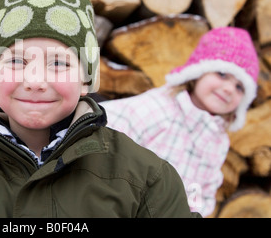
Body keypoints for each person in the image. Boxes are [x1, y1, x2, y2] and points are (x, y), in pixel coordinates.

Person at [0, 0, 198, 218]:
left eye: (58, 63)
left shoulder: (147, 179)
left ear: (85, 80)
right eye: (17, 62)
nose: (34, 81)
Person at [101, 26, 259, 217]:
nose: (228, 89)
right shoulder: (158, 109)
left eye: (239, 86)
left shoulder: (217, 142)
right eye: (222, 74)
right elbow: (107, 130)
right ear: (198, 72)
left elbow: (203, 191)